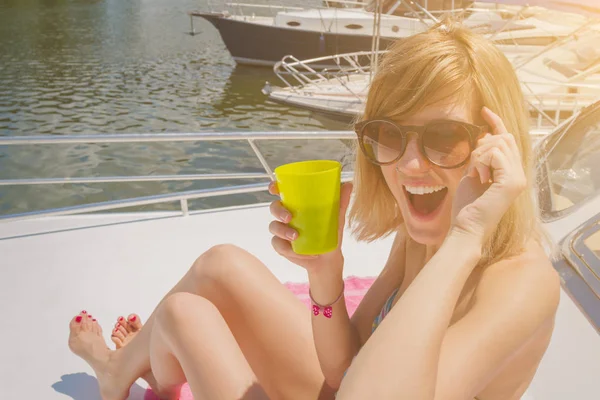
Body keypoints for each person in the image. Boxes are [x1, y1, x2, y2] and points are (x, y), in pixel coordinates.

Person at [67, 19, 560, 400]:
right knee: (219, 265)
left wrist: (468, 236)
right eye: (389, 134)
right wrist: (327, 274)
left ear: (498, 147)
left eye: (445, 137)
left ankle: (140, 369)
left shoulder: (520, 280)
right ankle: (121, 370)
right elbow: (343, 371)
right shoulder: (420, 234)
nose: (411, 165)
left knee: (182, 316)